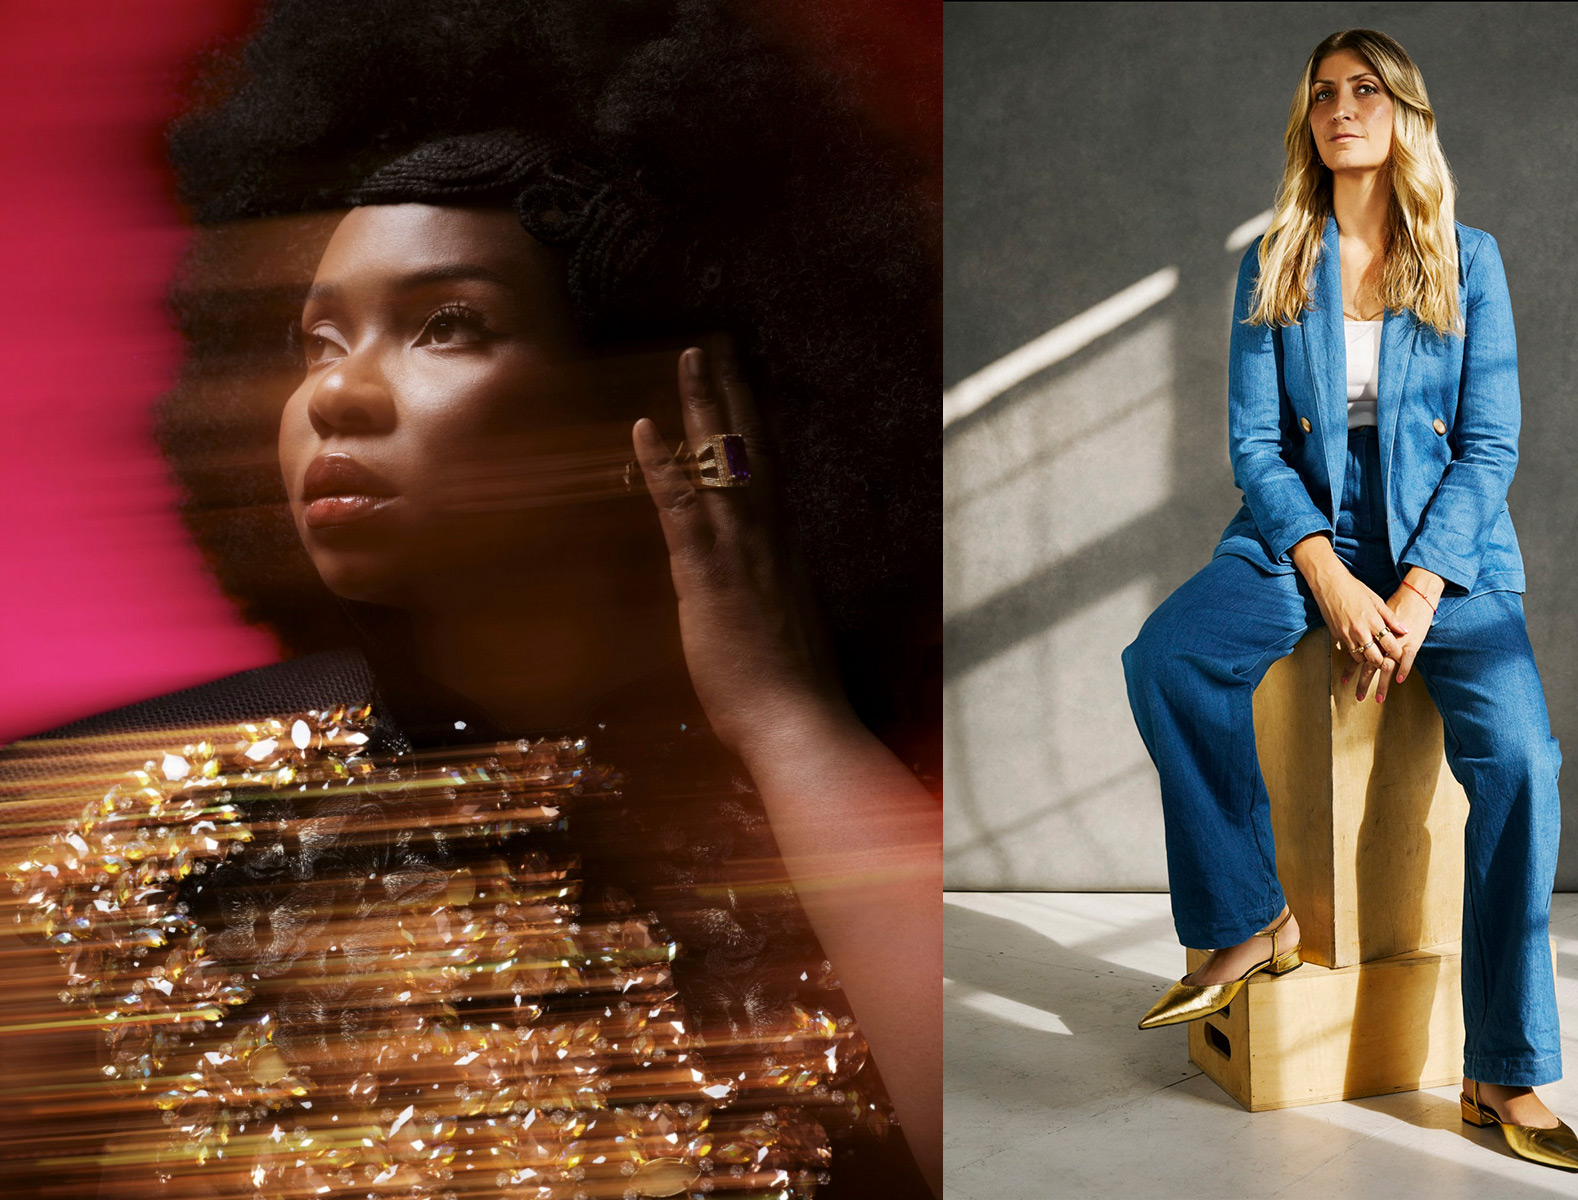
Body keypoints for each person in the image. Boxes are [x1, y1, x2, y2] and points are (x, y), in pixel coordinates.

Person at [0, 2, 941, 1196]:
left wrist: (785, 719)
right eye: (318, 340)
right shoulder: (121, 847)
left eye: (447, 326)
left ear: (648, 414)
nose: (338, 397)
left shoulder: (841, 838)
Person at [1120, 28, 1578, 1172]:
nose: (1341, 108)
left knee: (1521, 758)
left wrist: (1420, 590)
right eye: (1323, 93)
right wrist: (1324, 570)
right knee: (1166, 657)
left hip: (1451, 546)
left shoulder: (1469, 259)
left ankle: (1504, 1069)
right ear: (1307, 123)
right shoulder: (1275, 258)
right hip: (1302, 530)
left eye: (1364, 89)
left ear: (1403, 113)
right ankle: (1247, 921)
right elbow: (1252, 445)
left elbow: (1489, 445)